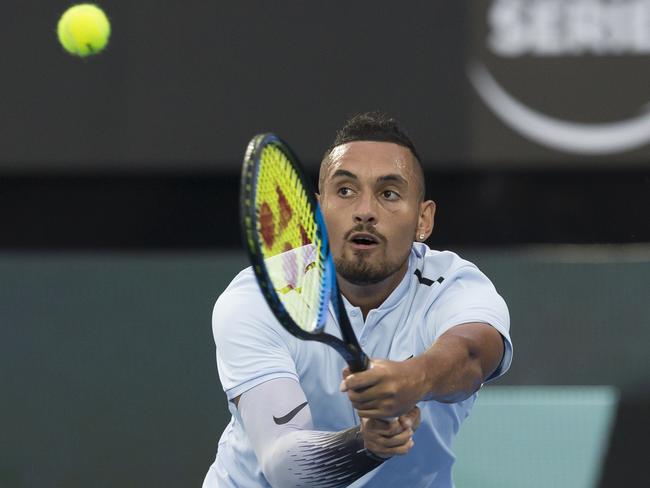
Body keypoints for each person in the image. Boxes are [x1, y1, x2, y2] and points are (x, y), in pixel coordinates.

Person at [203, 111, 512, 487]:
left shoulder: (455, 287)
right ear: (316, 211)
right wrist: (368, 445)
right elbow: (282, 467)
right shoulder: (259, 296)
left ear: (423, 220)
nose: (365, 212)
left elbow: (472, 357)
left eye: (389, 193)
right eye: (345, 191)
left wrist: (414, 378)